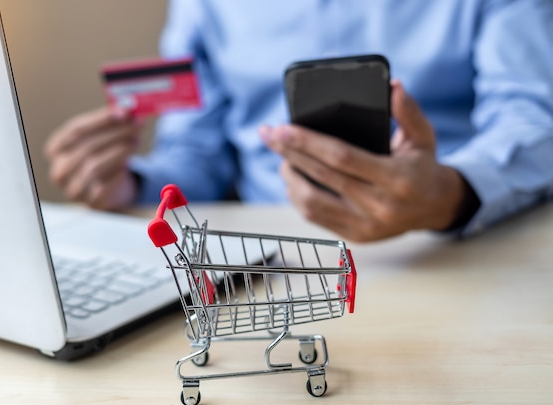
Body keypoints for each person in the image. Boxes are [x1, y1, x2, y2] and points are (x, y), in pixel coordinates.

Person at [45, 0, 553, 242]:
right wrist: (132, 183)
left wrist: (451, 192)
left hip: (465, 242)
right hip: (275, 258)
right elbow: (197, 154)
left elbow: (533, 121)